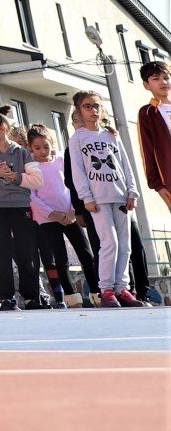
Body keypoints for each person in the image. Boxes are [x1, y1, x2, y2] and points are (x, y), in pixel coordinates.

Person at [67, 91, 142, 307]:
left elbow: (125, 164)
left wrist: (132, 191)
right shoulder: (78, 139)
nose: (93, 110)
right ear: (79, 111)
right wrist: (85, 197)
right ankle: (106, 289)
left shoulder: (111, 135)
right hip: (97, 199)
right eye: (88, 106)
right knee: (109, 242)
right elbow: (77, 171)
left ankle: (123, 288)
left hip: (120, 196)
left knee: (125, 244)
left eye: (97, 106)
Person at [0, 106, 46, 310]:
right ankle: (6, 299)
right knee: (1, 253)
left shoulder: (21, 152)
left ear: (2, 128)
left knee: (26, 253)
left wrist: (15, 177)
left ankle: (31, 298)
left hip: (21, 206)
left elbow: (38, 180)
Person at [26, 124, 96, 308]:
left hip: (70, 215)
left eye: (46, 146)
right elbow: (32, 196)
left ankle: (96, 290)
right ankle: (71, 296)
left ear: (52, 144)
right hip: (48, 219)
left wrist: (73, 211)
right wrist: (53, 214)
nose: (43, 151)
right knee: (60, 257)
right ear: (30, 148)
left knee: (85, 253)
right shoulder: (30, 168)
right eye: (37, 148)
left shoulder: (61, 161)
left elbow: (72, 186)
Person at [137, 60, 171, 215]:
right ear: (146, 85)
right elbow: (147, 152)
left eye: (166, 77)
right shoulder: (148, 113)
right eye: (156, 79)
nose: (163, 82)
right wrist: (158, 185)